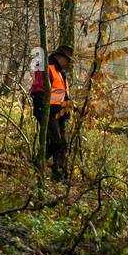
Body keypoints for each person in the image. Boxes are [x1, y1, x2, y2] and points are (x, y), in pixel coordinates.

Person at [44, 46, 73, 181]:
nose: (67, 63)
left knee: (62, 145)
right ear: (60, 57)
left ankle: (60, 175)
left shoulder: (60, 71)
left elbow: (63, 94)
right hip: (48, 113)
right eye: (67, 60)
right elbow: (38, 92)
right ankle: (39, 161)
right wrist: (42, 111)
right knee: (56, 143)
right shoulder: (47, 68)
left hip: (60, 114)